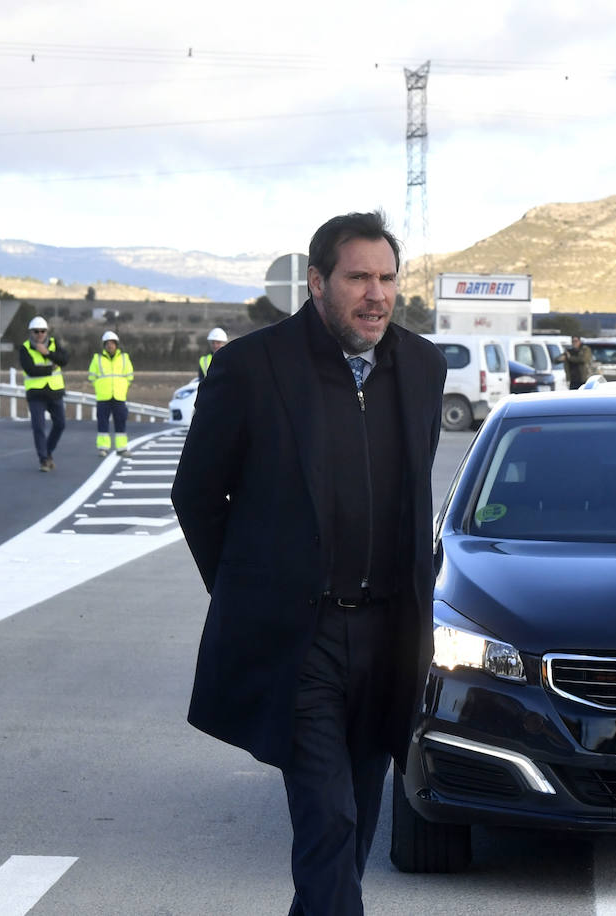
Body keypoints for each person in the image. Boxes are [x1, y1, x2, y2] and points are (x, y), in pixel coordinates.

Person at [171, 211, 446, 916]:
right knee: (329, 822)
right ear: (318, 283)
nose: (376, 294)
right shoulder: (251, 368)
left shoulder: (421, 367)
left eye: (387, 279)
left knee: (353, 824)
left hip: (390, 637)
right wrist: (249, 591)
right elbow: (198, 494)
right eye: (359, 278)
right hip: (305, 640)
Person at [18, 315, 68, 472]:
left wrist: (47, 353)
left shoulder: (53, 344)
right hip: (36, 394)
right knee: (38, 427)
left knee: (60, 424)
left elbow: (64, 360)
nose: (39, 334)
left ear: (47, 332)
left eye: (42, 331)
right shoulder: (25, 348)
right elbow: (30, 370)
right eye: (36, 331)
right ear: (30, 332)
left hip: (55, 392)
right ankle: (44, 460)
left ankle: (48, 451)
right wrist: (50, 368)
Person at [87, 330, 134, 457]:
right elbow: (92, 377)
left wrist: (123, 387)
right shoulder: (97, 359)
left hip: (119, 396)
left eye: (112, 343)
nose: (110, 346)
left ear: (116, 344)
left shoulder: (124, 358)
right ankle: (103, 448)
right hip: (103, 396)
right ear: (104, 345)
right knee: (103, 422)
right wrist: (99, 387)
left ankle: (122, 448)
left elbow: (130, 376)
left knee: (121, 422)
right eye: (107, 343)